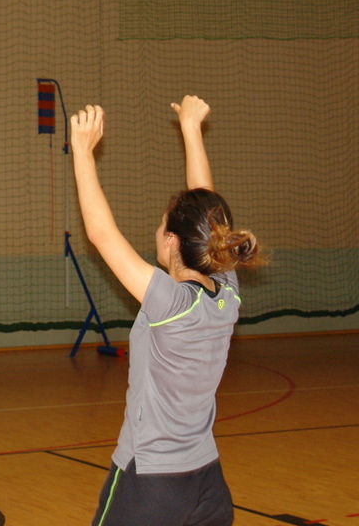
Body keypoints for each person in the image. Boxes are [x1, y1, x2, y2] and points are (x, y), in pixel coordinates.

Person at [69, 96, 266, 526]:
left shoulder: (171, 303)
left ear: (173, 241)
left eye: (162, 225)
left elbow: (101, 234)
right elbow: (210, 212)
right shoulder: (226, 294)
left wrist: (82, 152)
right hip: (208, 486)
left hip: (150, 485)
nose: (157, 231)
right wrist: (191, 129)